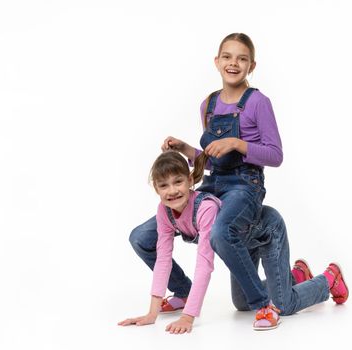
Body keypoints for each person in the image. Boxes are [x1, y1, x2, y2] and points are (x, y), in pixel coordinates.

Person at [129, 33, 286, 328]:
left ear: (252, 66)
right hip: (214, 183)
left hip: (245, 185)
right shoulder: (209, 105)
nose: (233, 63)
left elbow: (276, 155)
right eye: (227, 57)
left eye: (242, 58)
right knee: (141, 237)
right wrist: (186, 150)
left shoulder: (258, 102)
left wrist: (238, 144)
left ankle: (263, 305)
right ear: (217, 62)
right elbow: (212, 158)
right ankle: (182, 290)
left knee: (220, 233)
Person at [118, 151, 221, 334]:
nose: (172, 191)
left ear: (190, 180)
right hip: (223, 244)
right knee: (243, 302)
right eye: (164, 185)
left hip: (251, 237)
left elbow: (204, 264)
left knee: (255, 301)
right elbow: (163, 259)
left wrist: (188, 317)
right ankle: (183, 292)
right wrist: (152, 314)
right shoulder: (164, 210)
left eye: (178, 182)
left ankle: (289, 278)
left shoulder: (206, 208)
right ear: (156, 189)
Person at [230, 205, 349, 331]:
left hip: (267, 229)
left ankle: (330, 278)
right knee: (242, 301)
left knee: (282, 305)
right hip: (241, 235)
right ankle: (296, 277)